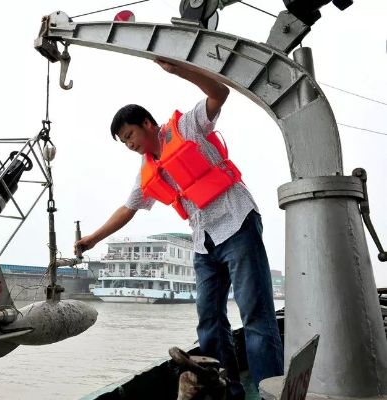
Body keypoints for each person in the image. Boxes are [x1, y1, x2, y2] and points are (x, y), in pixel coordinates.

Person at [74, 59, 283, 398]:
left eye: (129, 135)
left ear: (145, 123)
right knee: (209, 321)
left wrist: (180, 71)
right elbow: (128, 209)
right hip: (204, 242)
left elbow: (220, 92)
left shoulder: (186, 127)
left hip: (237, 224)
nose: (129, 144)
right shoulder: (148, 168)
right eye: (123, 142)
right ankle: (227, 391)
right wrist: (92, 239)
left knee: (256, 315)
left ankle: (270, 391)